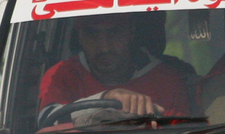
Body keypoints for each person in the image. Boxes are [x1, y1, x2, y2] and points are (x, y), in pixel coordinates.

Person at [39, 14, 191, 117]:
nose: (104, 47)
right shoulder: (62, 74)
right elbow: (46, 118)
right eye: (92, 34)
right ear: (79, 37)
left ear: (131, 32)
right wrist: (105, 98)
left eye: (114, 33)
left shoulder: (166, 81)